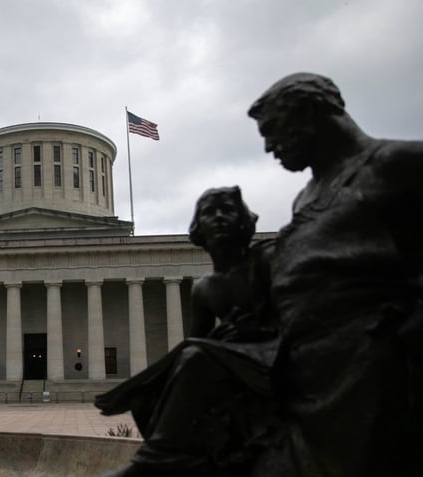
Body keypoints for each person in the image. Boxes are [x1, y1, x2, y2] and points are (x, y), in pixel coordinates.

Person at [247, 73, 423, 476]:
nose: (269, 146)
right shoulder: (306, 196)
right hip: (302, 359)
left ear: (310, 114)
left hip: (363, 364)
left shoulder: (395, 166)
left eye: (273, 130)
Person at [96, 186, 278, 477]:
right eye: (209, 212)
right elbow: (193, 342)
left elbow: (300, 312)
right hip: (231, 358)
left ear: (244, 221)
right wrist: (136, 386)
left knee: (194, 360)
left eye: (228, 210)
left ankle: (155, 461)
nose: (219, 218)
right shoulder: (205, 287)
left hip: (274, 355)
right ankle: (179, 459)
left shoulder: (269, 261)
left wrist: (252, 332)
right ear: (198, 230)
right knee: (150, 393)